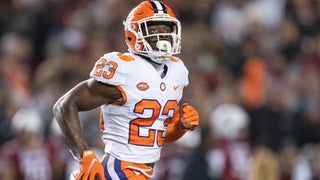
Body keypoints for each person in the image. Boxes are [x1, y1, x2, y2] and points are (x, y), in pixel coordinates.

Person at [52, 1, 200, 180]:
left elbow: (151, 133)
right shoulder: (124, 69)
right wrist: (84, 155)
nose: (162, 35)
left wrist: (179, 127)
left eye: (166, 29)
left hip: (142, 172)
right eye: (153, 30)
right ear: (134, 34)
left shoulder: (178, 71)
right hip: (119, 168)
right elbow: (64, 106)